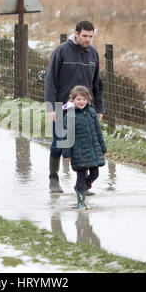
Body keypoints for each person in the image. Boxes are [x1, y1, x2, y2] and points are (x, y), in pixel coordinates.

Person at [44, 20, 104, 193]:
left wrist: (99, 108)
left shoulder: (93, 54)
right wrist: (51, 108)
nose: (88, 40)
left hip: (85, 109)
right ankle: (53, 179)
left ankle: (82, 185)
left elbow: (97, 84)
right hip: (62, 108)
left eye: (91, 36)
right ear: (76, 33)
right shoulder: (61, 51)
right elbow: (50, 81)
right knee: (59, 144)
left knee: (83, 146)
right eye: (85, 36)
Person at [61, 86, 107, 209]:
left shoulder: (91, 112)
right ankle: (81, 202)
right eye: (78, 99)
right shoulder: (70, 116)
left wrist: (103, 148)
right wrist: (67, 154)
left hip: (93, 151)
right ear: (73, 100)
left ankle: (79, 188)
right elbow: (66, 136)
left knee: (95, 174)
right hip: (78, 152)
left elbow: (98, 131)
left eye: (84, 99)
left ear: (88, 100)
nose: (81, 102)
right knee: (81, 176)